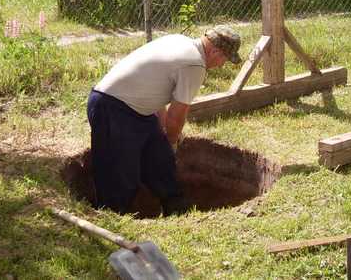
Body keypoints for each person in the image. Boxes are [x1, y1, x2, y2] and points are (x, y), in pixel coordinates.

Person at [87, 25, 242, 215]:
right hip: (112, 109)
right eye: (224, 59)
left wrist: (163, 139)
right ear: (215, 51)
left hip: (134, 109)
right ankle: (113, 215)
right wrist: (172, 141)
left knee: (159, 159)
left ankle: (176, 207)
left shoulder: (178, 40)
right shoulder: (194, 65)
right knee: (119, 173)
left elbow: (156, 93)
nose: (221, 64)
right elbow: (177, 115)